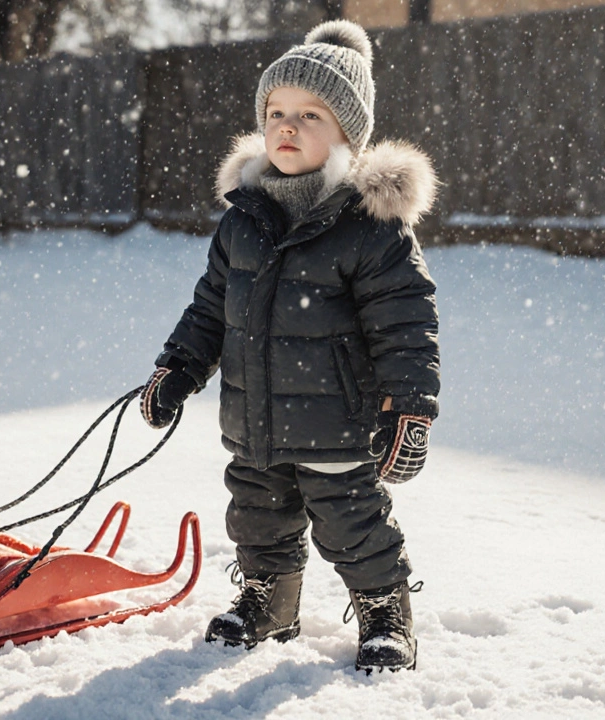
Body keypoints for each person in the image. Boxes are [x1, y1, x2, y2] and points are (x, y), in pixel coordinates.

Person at [140, 19, 439, 674]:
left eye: (310, 114)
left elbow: (406, 325)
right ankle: (270, 603)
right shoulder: (244, 217)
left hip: (337, 424)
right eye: (276, 111)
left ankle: (386, 612)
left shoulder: (370, 226)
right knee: (257, 520)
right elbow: (209, 307)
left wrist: (408, 410)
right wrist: (179, 369)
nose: (287, 125)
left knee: (354, 527)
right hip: (254, 422)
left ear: (349, 134)